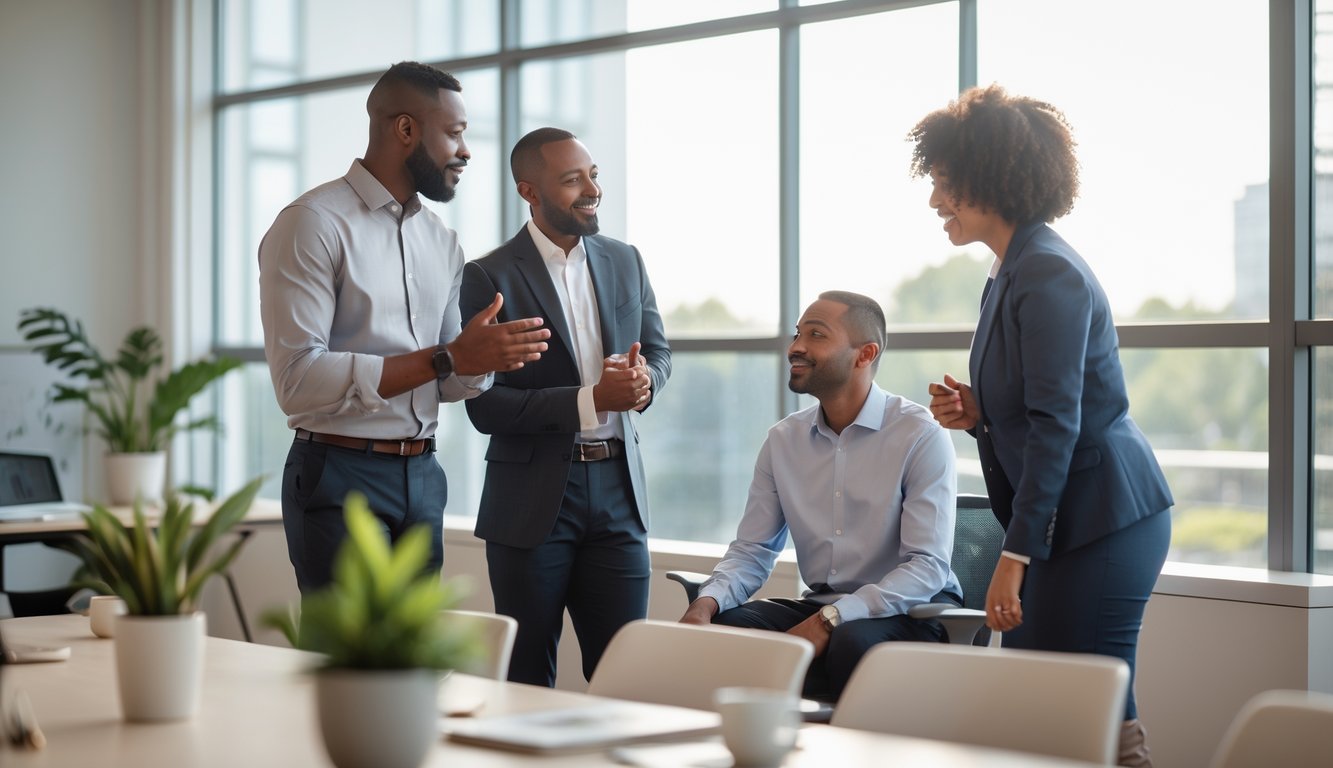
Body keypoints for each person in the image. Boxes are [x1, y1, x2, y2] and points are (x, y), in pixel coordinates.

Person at [914, 85, 1173, 767]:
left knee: (1083, 693)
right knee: (1042, 693)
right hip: (1073, 514)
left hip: (1104, 517)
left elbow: (1058, 426)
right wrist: (978, 415)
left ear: (987, 178)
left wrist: (1011, 557)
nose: (935, 200)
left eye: (943, 182)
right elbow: (1035, 409)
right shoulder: (1009, 270)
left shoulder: (1047, 273)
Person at [258, 62, 551, 595]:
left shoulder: (441, 241)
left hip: (423, 477)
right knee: (348, 669)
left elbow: (446, 378)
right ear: (406, 130)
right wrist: (449, 358)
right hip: (338, 473)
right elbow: (297, 380)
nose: (466, 151)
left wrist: (482, 362)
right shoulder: (313, 224)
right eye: (456, 133)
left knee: (414, 667)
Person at [460, 127, 671, 686]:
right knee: (527, 676)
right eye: (573, 179)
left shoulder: (626, 260)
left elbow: (658, 351)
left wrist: (645, 381)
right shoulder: (488, 276)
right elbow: (485, 406)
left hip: (621, 494)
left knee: (625, 676)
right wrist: (591, 400)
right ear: (530, 191)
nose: (592, 189)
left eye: (594, 174)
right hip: (531, 503)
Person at [679, 291, 960, 702]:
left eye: (816, 335)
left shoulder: (919, 435)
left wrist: (831, 619)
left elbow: (925, 570)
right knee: (728, 632)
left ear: (865, 354)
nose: (796, 347)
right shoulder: (783, 441)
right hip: (827, 604)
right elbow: (752, 550)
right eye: (796, 334)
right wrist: (705, 603)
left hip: (915, 608)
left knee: (850, 641)